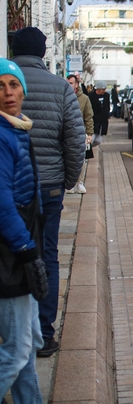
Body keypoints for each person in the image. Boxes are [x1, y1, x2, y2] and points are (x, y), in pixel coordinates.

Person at [11, 27, 85, 358]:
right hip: (50, 186)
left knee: (12, 253)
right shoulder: (60, 88)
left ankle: (13, 331)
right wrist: (68, 180)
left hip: (9, 188)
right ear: (43, 52)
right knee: (48, 256)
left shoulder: (5, 86)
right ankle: (44, 332)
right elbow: (74, 140)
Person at [0, 57, 45, 404]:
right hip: (10, 253)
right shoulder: (3, 136)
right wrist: (27, 249)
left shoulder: (17, 127)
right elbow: (2, 201)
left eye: (13, 85)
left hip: (23, 246)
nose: (8, 92)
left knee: (30, 345)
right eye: (0, 86)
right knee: (16, 351)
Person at [66, 74, 94, 194]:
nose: (69, 85)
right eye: (67, 83)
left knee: (81, 160)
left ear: (76, 84)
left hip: (80, 133)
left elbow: (89, 117)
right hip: (67, 134)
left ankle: (80, 182)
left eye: (71, 83)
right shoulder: (64, 97)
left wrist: (89, 133)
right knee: (67, 159)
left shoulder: (84, 99)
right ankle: (70, 184)